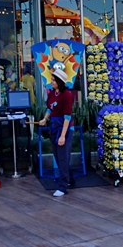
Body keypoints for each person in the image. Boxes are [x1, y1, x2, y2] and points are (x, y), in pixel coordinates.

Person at [36, 69, 75, 197]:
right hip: (54, 126)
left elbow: (67, 117)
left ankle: (63, 186)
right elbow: (49, 108)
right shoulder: (52, 93)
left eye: (53, 80)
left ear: (60, 82)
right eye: (52, 79)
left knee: (62, 157)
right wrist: (44, 119)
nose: (51, 82)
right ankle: (70, 179)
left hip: (64, 128)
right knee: (58, 156)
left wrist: (63, 136)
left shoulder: (67, 95)